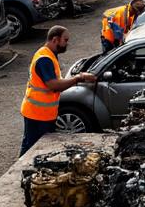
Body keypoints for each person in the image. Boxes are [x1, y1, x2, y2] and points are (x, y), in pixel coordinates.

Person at [20, 26, 97, 156]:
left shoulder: (49, 55)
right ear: (55, 39)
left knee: (37, 147)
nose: (67, 43)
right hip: (37, 114)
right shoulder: (44, 59)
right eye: (65, 40)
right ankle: (19, 174)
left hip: (42, 113)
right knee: (31, 147)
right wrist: (79, 78)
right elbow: (53, 85)